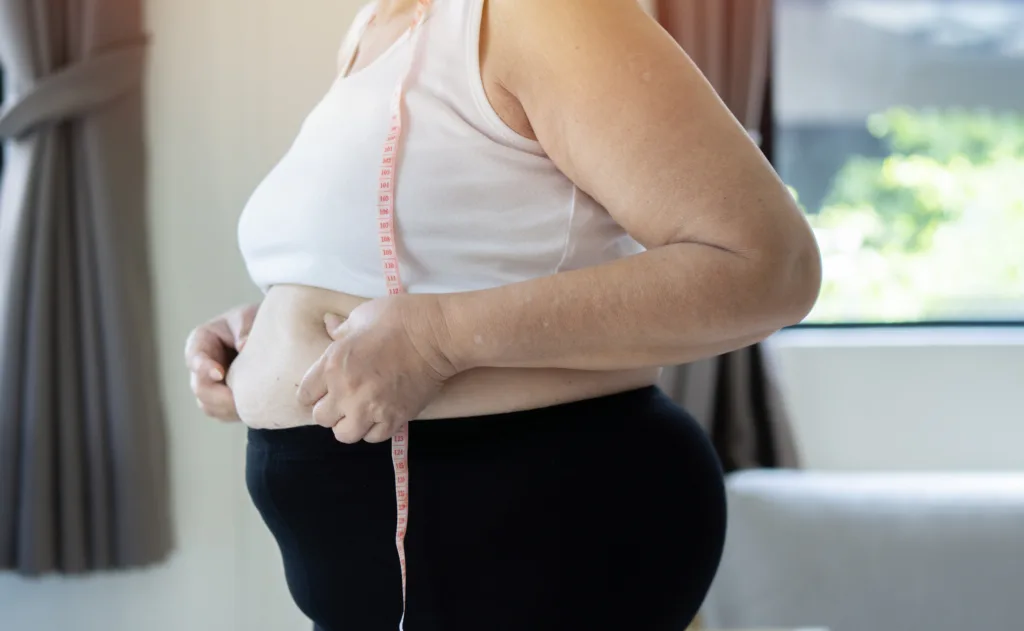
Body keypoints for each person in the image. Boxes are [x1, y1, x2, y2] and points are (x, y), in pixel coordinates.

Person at [184, 0, 821, 629]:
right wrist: (264, 330)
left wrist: (440, 340)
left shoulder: (539, 12)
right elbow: (439, 256)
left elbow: (770, 266)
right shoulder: (375, 30)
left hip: (534, 526)